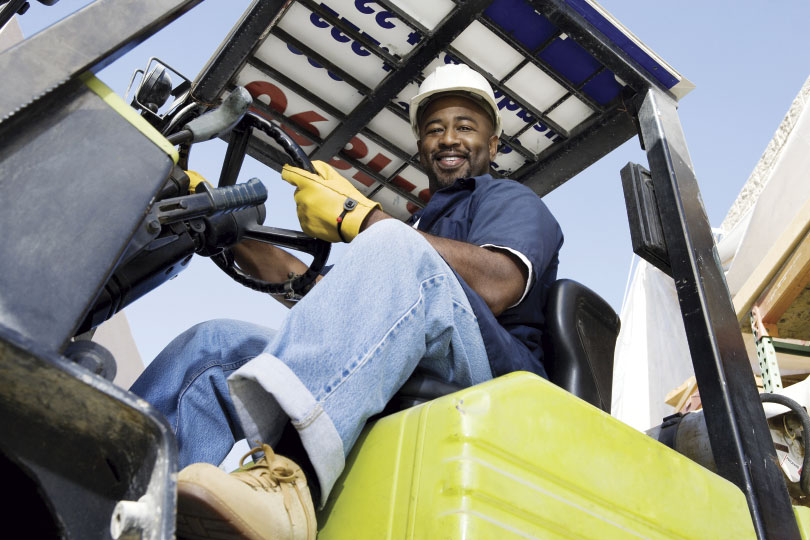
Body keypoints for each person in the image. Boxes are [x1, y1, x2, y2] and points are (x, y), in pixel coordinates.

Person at [131, 63, 563, 540]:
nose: (448, 139)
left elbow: (500, 283)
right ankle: (127, 499)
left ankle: (286, 481)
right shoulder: (415, 230)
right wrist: (225, 227)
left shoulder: (508, 199)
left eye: (465, 127)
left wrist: (360, 217)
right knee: (215, 346)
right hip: (410, 352)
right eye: (434, 129)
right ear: (421, 145)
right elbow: (325, 298)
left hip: (499, 382)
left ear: (493, 144)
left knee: (393, 244)